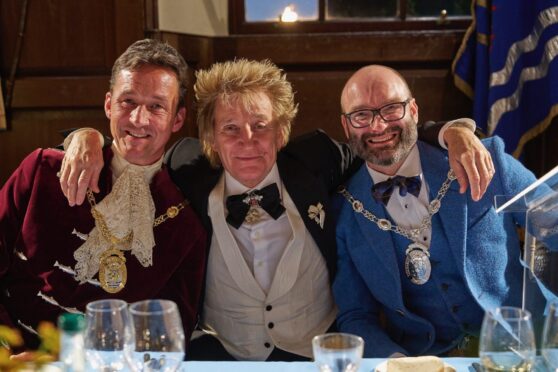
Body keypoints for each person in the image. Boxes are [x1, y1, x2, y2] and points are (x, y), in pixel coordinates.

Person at [60, 59, 493, 361]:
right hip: (223, 357)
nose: (247, 140)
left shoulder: (318, 160)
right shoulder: (185, 171)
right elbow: (130, 152)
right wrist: (85, 136)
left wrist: (452, 131)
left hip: (318, 354)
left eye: (261, 126)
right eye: (230, 128)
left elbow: (384, 143)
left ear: (283, 131)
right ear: (210, 135)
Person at [0, 39, 207, 349]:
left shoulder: (185, 226)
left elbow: (169, 335)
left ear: (177, 119)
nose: (139, 119)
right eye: (128, 102)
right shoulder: (42, 170)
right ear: (109, 104)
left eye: (156, 106)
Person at [332, 64, 538, 358]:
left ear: (413, 111)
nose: (377, 126)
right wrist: (397, 363)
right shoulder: (345, 211)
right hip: (425, 360)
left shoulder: (485, 159)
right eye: (361, 115)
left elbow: (552, 221)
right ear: (346, 125)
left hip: (521, 348)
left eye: (391, 109)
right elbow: (356, 316)